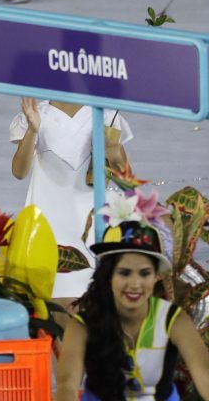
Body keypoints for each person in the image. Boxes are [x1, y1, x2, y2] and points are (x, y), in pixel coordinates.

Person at [54, 198, 209, 401]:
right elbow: (67, 384)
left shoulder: (173, 320)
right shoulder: (83, 325)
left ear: (156, 277)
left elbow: (206, 375)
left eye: (144, 273)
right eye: (124, 273)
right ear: (108, 275)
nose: (135, 283)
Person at [10, 96, 131, 303]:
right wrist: (32, 130)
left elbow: (127, 183)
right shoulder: (37, 114)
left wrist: (112, 151)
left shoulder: (106, 115)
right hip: (47, 226)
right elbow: (19, 172)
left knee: (93, 301)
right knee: (48, 301)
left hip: (91, 227)